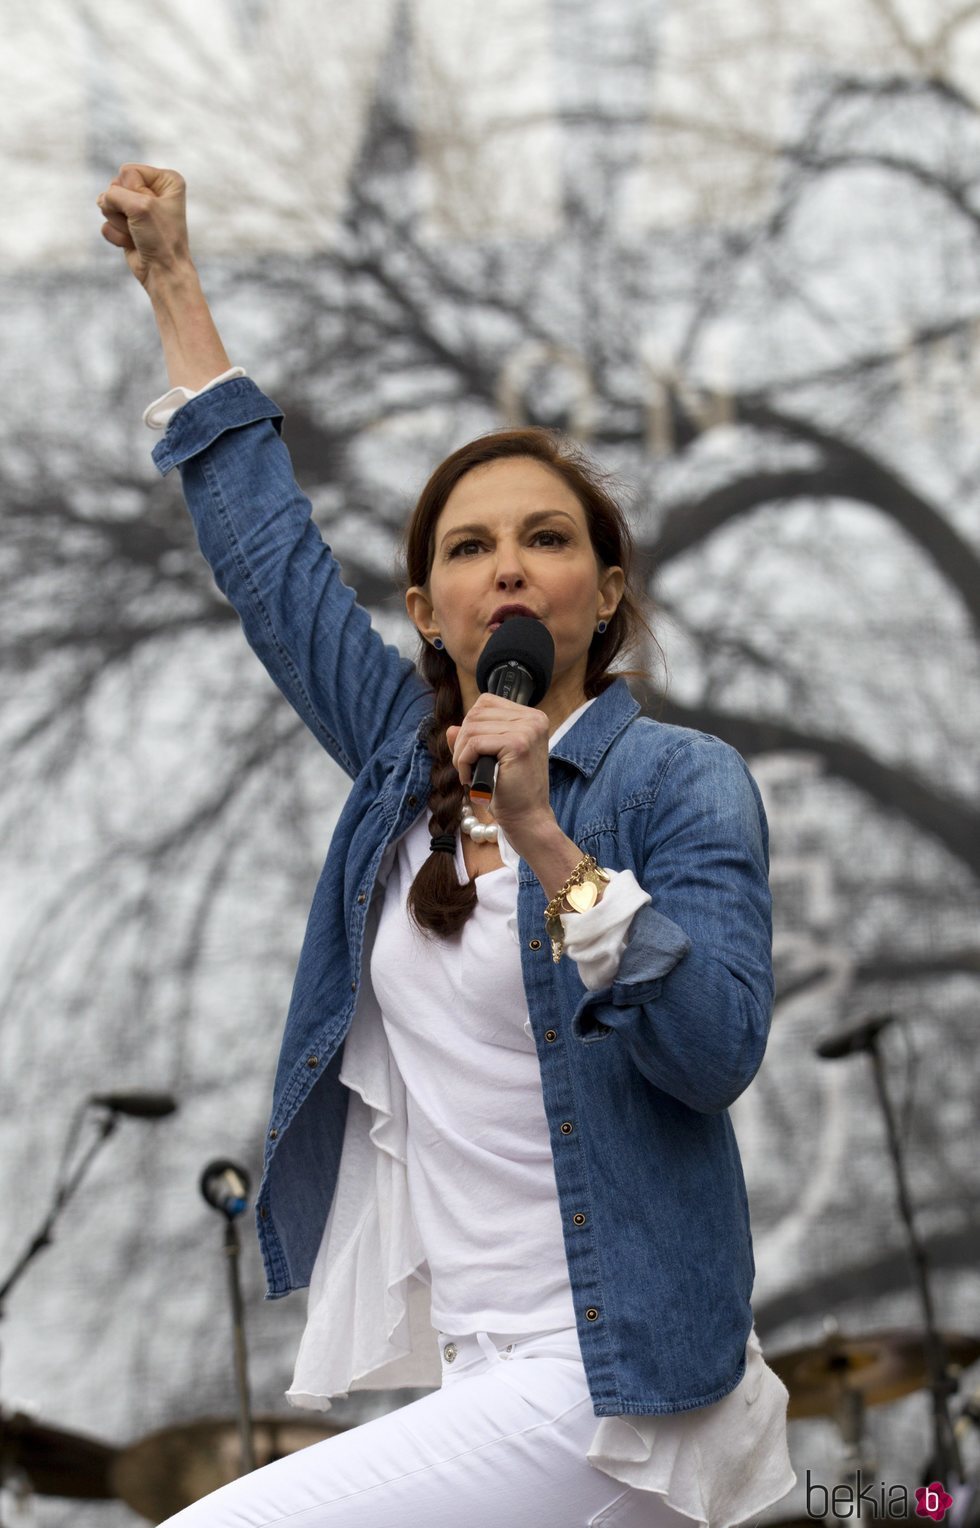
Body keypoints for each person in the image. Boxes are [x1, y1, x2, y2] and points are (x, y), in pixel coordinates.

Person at [97, 164, 797, 1528]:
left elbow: (715, 1051)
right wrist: (175, 285)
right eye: (471, 548)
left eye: (548, 538)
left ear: (606, 591)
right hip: (491, 1381)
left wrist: (550, 844)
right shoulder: (398, 776)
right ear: (429, 607)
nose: (511, 565)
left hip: (622, 1392)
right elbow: (271, 561)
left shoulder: (676, 782)